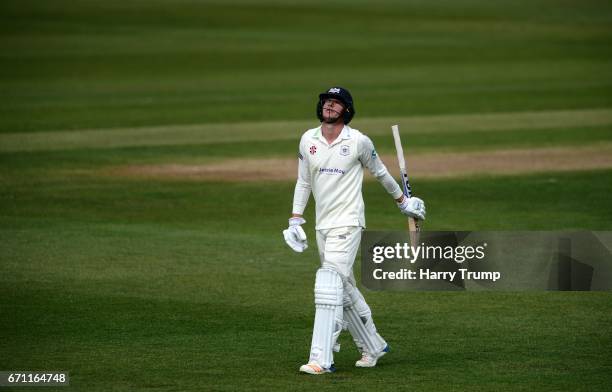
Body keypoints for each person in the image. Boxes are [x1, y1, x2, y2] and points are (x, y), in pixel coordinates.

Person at [283, 87, 426, 375]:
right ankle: (372, 345)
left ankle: (321, 359)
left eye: (336, 103)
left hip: (348, 223)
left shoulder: (358, 141)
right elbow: (303, 182)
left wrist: (403, 202)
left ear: (346, 110)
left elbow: (382, 173)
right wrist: (296, 219)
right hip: (323, 224)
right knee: (344, 288)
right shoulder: (307, 139)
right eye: (326, 101)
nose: (329, 106)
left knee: (328, 284)